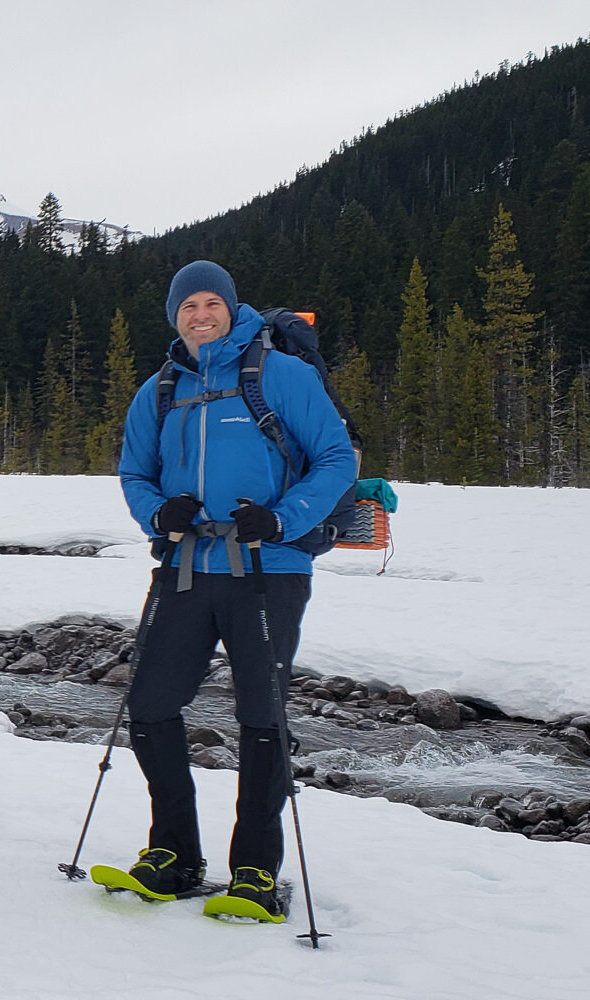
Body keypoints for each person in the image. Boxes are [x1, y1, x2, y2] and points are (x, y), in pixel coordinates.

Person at [116, 260, 353, 911]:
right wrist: (157, 513)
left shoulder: (282, 376)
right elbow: (134, 472)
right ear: (175, 317)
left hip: (266, 570)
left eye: (209, 304)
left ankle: (255, 869)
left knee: (262, 716)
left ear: (230, 307)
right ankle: (174, 853)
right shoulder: (159, 390)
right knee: (151, 706)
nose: (200, 315)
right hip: (187, 568)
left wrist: (283, 518)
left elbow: (338, 457)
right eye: (187, 307)